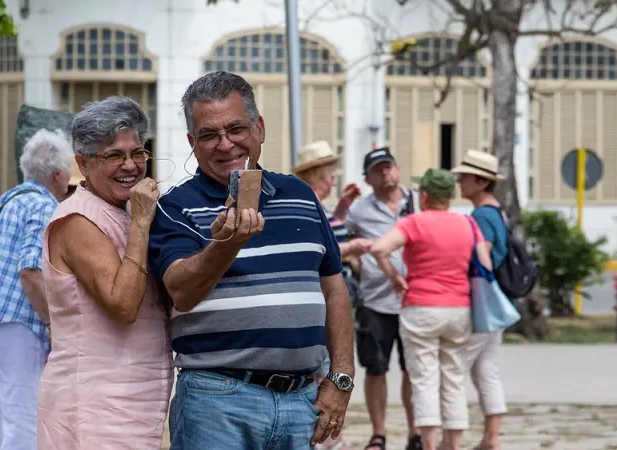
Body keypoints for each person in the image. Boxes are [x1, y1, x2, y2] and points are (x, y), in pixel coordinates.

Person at [148, 71, 356, 450]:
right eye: (208, 135)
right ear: (192, 143)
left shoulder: (300, 194)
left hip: (301, 399)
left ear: (259, 128)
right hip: (216, 400)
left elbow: (334, 289)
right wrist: (225, 245)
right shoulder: (174, 207)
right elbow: (181, 293)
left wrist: (341, 378)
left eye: (236, 129)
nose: (225, 144)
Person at [36, 96, 173, 449]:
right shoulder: (77, 219)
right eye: (114, 155)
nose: (130, 166)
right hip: (93, 404)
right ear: (83, 162)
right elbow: (123, 304)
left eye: (138, 153)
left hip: (133, 398)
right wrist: (141, 223)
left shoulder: (123, 210)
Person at [0, 129, 73, 450]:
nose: (70, 178)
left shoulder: (9, 200)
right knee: (23, 419)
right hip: (17, 322)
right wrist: (52, 323)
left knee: (0, 417)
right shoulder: (43, 206)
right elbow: (30, 271)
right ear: (56, 174)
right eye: (68, 170)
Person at [370, 168, 493, 450]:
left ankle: (428, 444)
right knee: (454, 378)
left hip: (421, 308)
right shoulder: (468, 223)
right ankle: (454, 445)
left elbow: (379, 249)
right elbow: (485, 264)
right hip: (459, 309)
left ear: (424, 196)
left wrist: (394, 277)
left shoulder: (414, 222)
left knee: (424, 379)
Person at [293, 140, 371, 450]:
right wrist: (352, 248)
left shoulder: (317, 204)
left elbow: (328, 231)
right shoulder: (308, 202)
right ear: (316, 175)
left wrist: (342, 207)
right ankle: (329, 440)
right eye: (330, 173)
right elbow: (323, 248)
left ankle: (330, 438)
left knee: (326, 367)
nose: (334, 178)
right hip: (322, 300)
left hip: (326, 298)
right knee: (326, 370)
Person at [344, 147, 421, 450]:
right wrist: (354, 261)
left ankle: (416, 432)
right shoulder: (359, 209)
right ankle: (379, 433)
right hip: (375, 301)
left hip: (416, 299)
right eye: (377, 169)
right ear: (367, 178)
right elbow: (338, 236)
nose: (385, 172)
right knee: (376, 368)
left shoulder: (419, 202)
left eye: (388, 166)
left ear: (398, 169)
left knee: (413, 370)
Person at [451, 150, 509, 450]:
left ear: (482, 182)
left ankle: (452, 438)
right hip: (495, 302)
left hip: (481, 302)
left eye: (464, 177)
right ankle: (491, 438)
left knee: (455, 368)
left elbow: (482, 255)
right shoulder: (497, 211)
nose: (459, 181)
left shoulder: (482, 215)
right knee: (486, 369)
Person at [0, 162, 85, 257]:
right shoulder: (41, 211)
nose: (68, 194)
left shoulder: (79, 221)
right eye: (69, 189)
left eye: (77, 190)